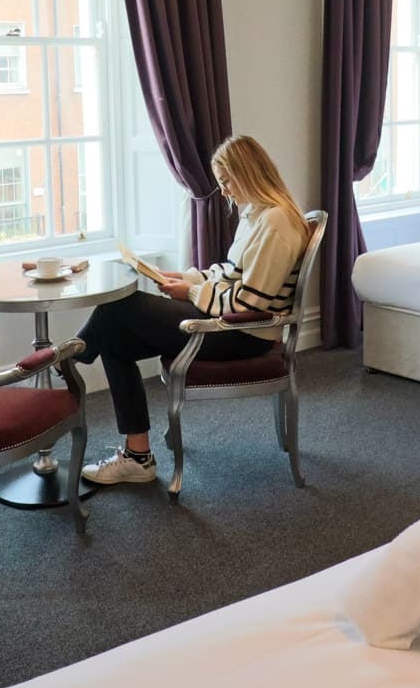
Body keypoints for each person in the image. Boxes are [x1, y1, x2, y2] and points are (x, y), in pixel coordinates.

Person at [76, 134, 311, 485]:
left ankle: (72, 355)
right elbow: (229, 275)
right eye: (221, 183)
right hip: (226, 322)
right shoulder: (256, 215)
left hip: (243, 333)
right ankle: (137, 457)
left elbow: (250, 303)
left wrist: (192, 293)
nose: (225, 191)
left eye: (227, 181)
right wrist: (182, 278)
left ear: (248, 173)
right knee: (115, 340)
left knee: (119, 307)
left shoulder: (275, 222)